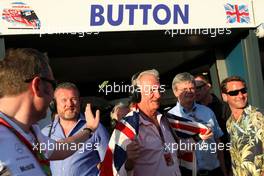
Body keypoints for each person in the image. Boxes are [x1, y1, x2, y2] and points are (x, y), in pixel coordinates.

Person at [0, 48, 99, 176]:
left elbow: (61, 149)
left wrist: (89, 129)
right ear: (37, 86)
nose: (53, 96)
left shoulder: (32, 132)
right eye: (53, 85)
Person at [100, 69, 182, 176]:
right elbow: (113, 171)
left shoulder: (166, 120)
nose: (158, 95)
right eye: (151, 91)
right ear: (137, 94)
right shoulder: (126, 128)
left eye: (158, 89)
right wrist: (128, 162)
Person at [42, 82, 109, 176]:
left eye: (73, 99)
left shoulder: (97, 129)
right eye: (64, 100)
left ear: (80, 102)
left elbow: (110, 164)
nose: (69, 104)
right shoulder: (45, 133)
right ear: (54, 104)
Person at [168, 72, 226, 176]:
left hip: (214, 171)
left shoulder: (207, 112)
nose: (189, 92)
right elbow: (171, 149)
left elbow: (218, 142)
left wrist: (223, 170)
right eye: (184, 89)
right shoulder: (170, 118)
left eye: (192, 88)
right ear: (175, 92)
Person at [221, 76, 264, 176]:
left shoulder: (259, 116)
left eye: (243, 91)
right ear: (225, 97)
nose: (240, 96)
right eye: (234, 93)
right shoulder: (229, 123)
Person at [194, 74, 231, 175]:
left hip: (227, 158)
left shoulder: (224, 107)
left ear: (208, 86)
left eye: (199, 87)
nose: (195, 91)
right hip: (206, 164)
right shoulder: (192, 111)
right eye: (194, 88)